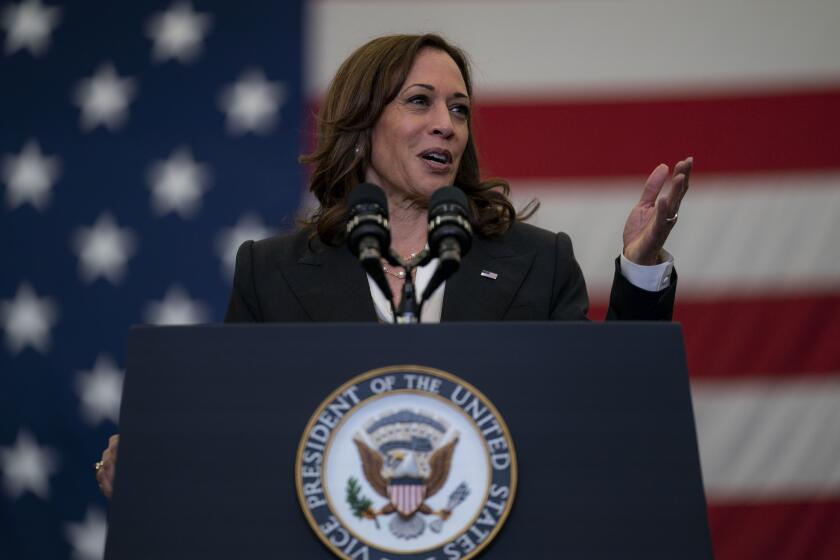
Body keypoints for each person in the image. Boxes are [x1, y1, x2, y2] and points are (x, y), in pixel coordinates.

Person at [95, 33, 691, 497]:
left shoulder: (536, 260)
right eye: (420, 101)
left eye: (459, 109)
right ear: (360, 127)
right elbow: (235, 434)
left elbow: (606, 411)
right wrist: (157, 467)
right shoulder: (270, 271)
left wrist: (640, 270)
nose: (447, 124)